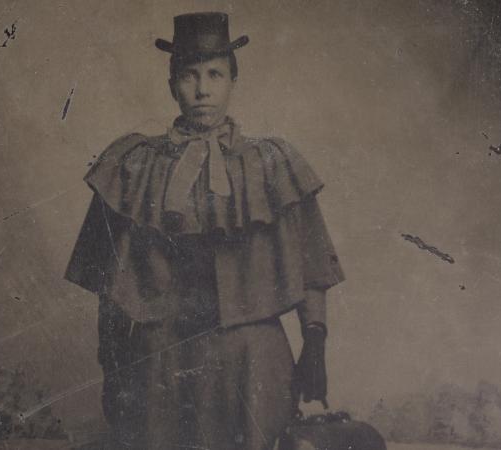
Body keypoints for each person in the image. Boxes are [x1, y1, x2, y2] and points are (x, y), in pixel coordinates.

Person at [65, 12, 344, 450]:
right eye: (189, 75)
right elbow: (109, 285)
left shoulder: (273, 163)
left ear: (233, 80)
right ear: (171, 84)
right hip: (162, 361)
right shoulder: (133, 166)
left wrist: (315, 341)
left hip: (252, 359)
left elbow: (312, 266)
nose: (202, 90)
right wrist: (112, 366)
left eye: (215, 74)